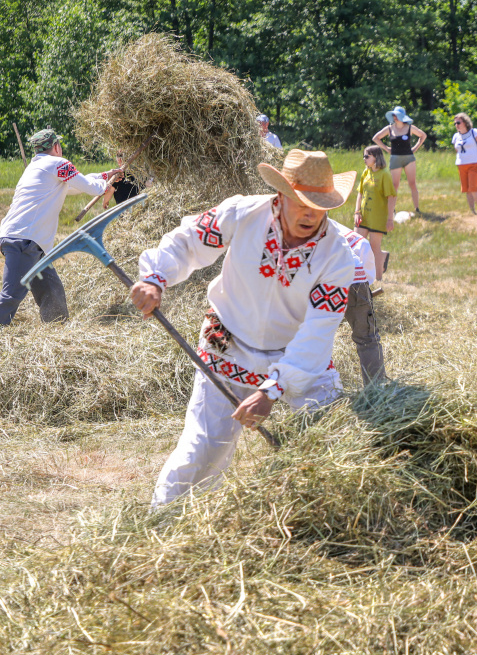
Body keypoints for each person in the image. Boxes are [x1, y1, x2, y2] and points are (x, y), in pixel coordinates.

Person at [130, 149, 358, 506]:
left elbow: (319, 332)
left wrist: (272, 390)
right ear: (280, 195)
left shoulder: (338, 256)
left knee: (329, 436)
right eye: (302, 201)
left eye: (321, 204)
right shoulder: (243, 212)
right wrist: (155, 278)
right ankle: (163, 520)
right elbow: (189, 240)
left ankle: (322, 521)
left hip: (294, 357)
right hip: (228, 346)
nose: (311, 213)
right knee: (204, 448)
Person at [1, 128, 120, 326]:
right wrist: (105, 186)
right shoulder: (58, 164)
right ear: (56, 146)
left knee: (51, 290)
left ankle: (57, 330)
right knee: (10, 296)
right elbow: (88, 187)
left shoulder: (38, 167)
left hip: (32, 243)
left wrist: (104, 175)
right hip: (24, 240)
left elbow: (74, 185)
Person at [328, 217, 387, 386]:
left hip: (321, 281)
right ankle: (376, 389)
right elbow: (363, 246)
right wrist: (365, 286)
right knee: (367, 338)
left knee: (317, 337)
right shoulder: (332, 224)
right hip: (354, 280)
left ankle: (324, 392)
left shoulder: (294, 224)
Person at [353, 145, 395, 291]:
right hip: (364, 215)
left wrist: (390, 218)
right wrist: (357, 211)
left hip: (378, 217)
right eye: (364, 156)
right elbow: (360, 193)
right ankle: (357, 277)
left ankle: (378, 279)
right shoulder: (366, 171)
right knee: (357, 244)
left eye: (366, 156)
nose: (364, 159)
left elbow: (391, 197)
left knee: (373, 248)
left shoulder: (384, 174)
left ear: (375, 157)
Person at [372, 105, 427, 214]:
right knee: (394, 185)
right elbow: (375, 138)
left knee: (412, 183)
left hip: (409, 158)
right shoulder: (390, 128)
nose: (394, 117)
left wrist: (415, 148)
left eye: (396, 115)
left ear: (402, 116)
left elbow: (423, 135)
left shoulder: (410, 127)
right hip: (395, 158)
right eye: (393, 115)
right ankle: (392, 210)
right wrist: (386, 148)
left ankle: (417, 209)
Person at [450, 113, 477, 215]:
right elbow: (457, 150)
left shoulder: (474, 132)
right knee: (467, 190)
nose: (456, 125)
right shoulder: (456, 136)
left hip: (474, 164)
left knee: (473, 188)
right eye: (455, 123)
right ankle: (472, 211)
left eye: (458, 122)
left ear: (465, 122)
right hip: (461, 165)